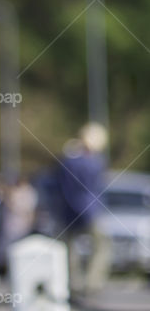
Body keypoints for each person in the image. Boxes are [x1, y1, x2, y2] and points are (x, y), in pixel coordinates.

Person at [55, 122, 111, 295]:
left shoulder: (68, 161)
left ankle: (73, 282)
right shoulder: (95, 162)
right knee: (102, 245)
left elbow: (61, 187)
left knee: (68, 248)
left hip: (69, 211)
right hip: (90, 210)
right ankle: (93, 282)